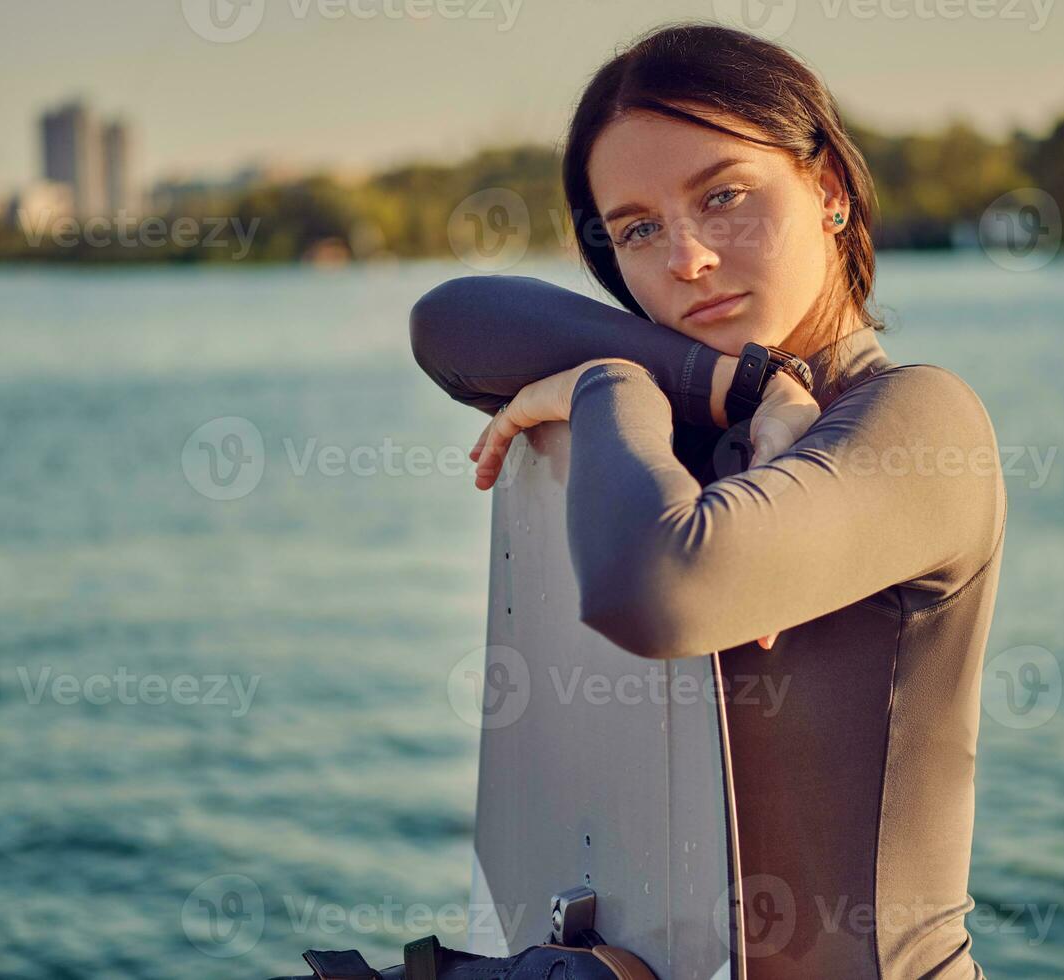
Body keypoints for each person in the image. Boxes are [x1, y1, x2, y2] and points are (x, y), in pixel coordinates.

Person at [409, 22, 1006, 980]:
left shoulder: (919, 424)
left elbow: (656, 587)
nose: (685, 259)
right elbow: (446, 325)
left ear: (830, 194)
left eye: (724, 196)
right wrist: (729, 387)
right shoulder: (686, 437)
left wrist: (609, 384)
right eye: (638, 229)